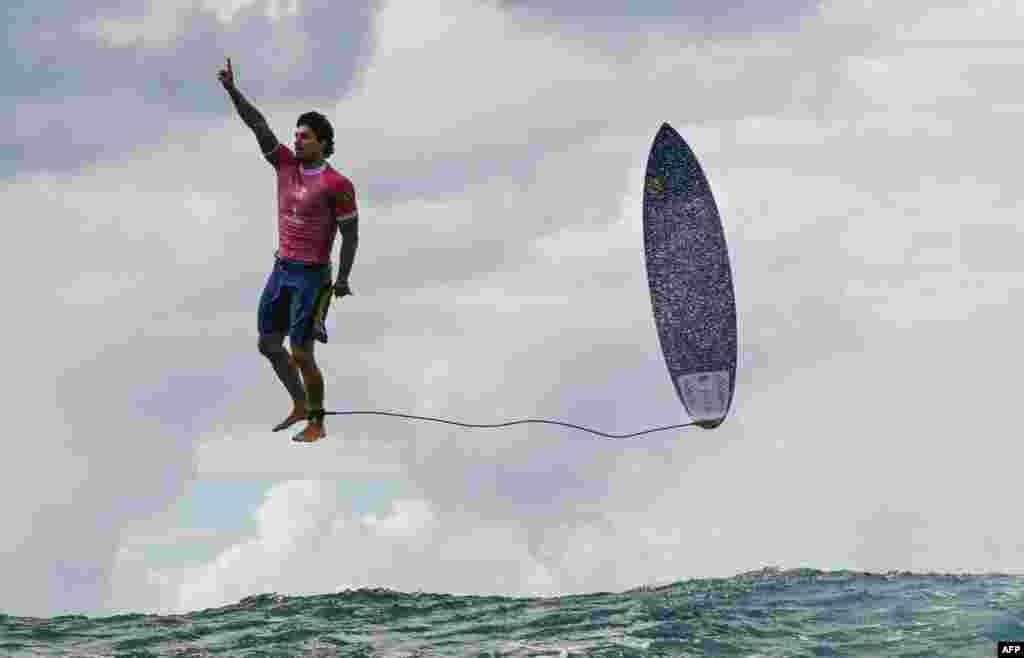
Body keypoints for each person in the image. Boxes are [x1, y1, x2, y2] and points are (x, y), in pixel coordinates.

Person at [218, 57, 359, 443]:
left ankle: (317, 421)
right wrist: (233, 90)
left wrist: (343, 279)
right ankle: (299, 402)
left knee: (301, 352)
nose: (297, 141)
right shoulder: (284, 165)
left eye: (306, 137)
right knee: (268, 344)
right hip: (281, 269)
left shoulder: (337, 184)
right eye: (296, 135)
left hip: (312, 276)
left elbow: (351, 235)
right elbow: (257, 124)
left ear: (325, 144)